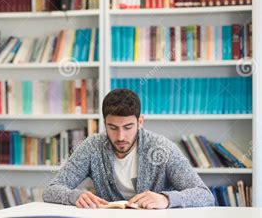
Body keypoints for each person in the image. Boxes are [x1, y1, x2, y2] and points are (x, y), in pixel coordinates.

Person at [43, 88, 215, 209]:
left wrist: (166, 199)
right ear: (104, 123)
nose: (120, 137)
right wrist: (75, 196)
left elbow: (204, 195)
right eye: (113, 127)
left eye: (128, 127)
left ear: (140, 122)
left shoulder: (162, 148)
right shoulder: (92, 147)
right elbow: (51, 189)